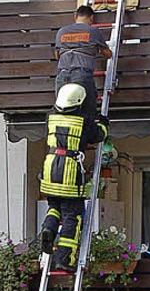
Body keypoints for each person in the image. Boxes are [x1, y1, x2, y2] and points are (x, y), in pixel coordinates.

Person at [39, 82, 108, 271]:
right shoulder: (83, 120)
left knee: (54, 206)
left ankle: (49, 229)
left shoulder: (50, 117)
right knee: (72, 215)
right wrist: (102, 122)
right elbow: (98, 135)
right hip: (69, 171)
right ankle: (64, 258)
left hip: (50, 168)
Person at [54, 3, 112, 114]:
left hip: (62, 75)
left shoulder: (62, 32)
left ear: (75, 16)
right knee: (87, 111)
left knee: (63, 111)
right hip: (82, 75)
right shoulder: (93, 31)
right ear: (91, 18)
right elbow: (108, 55)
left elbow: (57, 55)